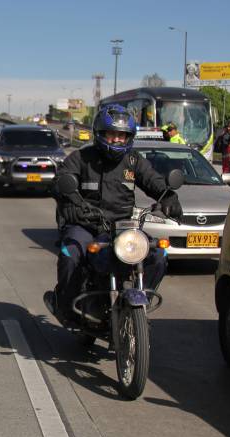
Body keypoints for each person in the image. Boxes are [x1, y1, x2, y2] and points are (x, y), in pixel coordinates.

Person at [45, 105, 182, 325]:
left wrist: (169, 197)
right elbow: (60, 182)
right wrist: (69, 204)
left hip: (122, 227)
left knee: (158, 254)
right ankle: (66, 307)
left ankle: (140, 304)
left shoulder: (133, 160)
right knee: (71, 254)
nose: (117, 139)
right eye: (112, 134)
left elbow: (153, 180)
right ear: (100, 133)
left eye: (122, 135)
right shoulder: (81, 157)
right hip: (86, 223)